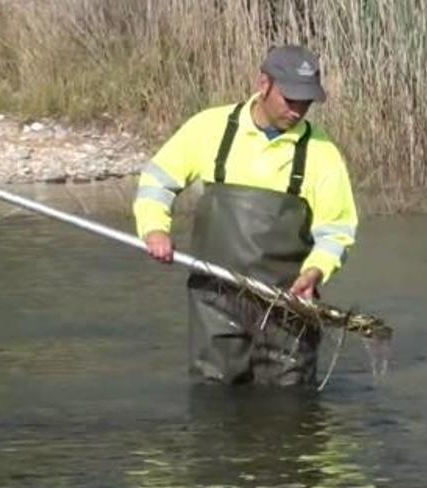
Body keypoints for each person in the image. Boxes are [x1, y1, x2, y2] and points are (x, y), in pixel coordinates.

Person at [133, 45, 358, 387]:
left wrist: (315, 272)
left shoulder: (322, 153)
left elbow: (337, 231)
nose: (298, 110)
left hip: (286, 304)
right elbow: (156, 182)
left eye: (306, 101)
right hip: (215, 299)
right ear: (263, 83)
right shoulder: (210, 127)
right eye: (290, 99)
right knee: (215, 402)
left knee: (290, 407)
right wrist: (154, 229)